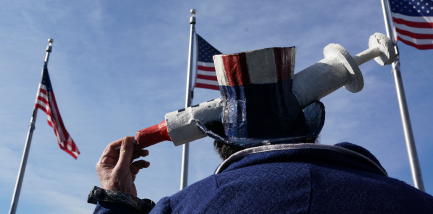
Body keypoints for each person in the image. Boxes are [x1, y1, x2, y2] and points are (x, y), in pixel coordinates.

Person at [89, 48, 433, 213]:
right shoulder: (415, 204)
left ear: (224, 144)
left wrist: (116, 199)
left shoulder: (183, 209)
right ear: (308, 127)